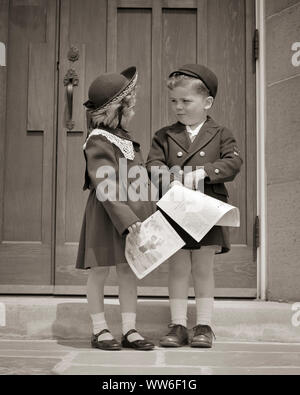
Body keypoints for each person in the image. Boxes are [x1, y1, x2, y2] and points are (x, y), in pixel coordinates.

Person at [146, 64, 243, 348]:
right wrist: (169, 178)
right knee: (177, 267)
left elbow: (233, 163)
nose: (179, 107)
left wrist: (204, 172)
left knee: (202, 267)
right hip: (175, 208)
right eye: (174, 101)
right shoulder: (164, 135)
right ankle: (177, 325)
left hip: (207, 210)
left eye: (186, 101)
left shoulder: (221, 133)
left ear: (207, 102)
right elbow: (152, 164)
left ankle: (204, 326)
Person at [76, 66, 155, 351]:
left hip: (130, 216)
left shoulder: (126, 138)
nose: (133, 111)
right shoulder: (98, 140)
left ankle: (130, 329)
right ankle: (99, 330)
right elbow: (103, 182)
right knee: (99, 271)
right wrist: (125, 216)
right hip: (107, 214)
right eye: (130, 106)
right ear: (115, 110)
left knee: (128, 271)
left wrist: (148, 213)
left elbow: (139, 181)